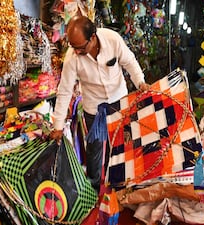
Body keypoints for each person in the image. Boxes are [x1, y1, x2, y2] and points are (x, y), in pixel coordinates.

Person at [49, 15, 149, 193]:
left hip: (119, 102)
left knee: (119, 147)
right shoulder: (73, 57)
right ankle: (93, 190)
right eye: (74, 47)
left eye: (80, 47)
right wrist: (57, 125)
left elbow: (130, 62)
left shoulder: (112, 39)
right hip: (93, 108)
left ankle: (119, 186)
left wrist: (140, 82)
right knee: (94, 152)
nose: (77, 52)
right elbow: (64, 90)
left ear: (93, 37)